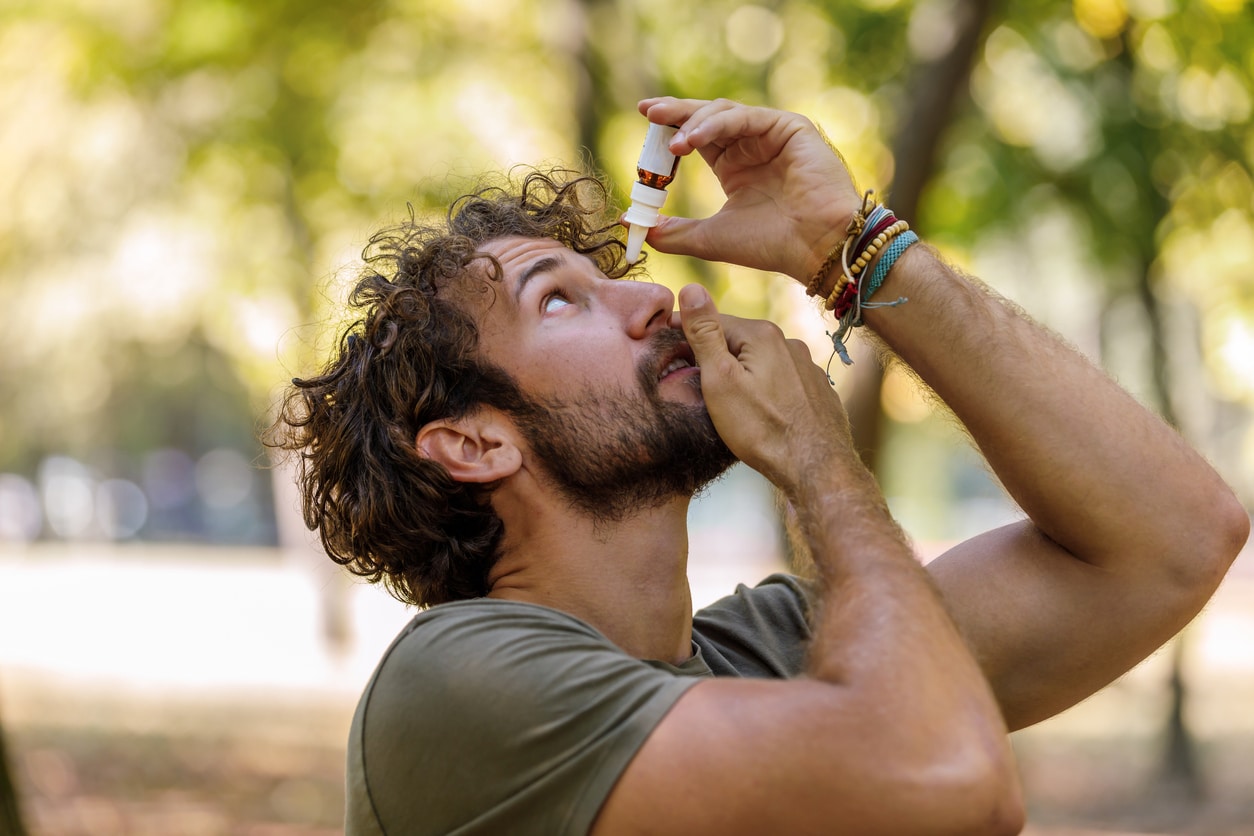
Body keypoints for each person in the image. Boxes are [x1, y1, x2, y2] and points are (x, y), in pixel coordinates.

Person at [267, 97, 1249, 836]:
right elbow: (953, 785)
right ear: (475, 442)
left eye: (613, 277)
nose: (650, 300)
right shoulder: (455, 685)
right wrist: (822, 464)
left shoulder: (772, 653)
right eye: (559, 299)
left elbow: (1175, 537)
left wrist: (849, 248)